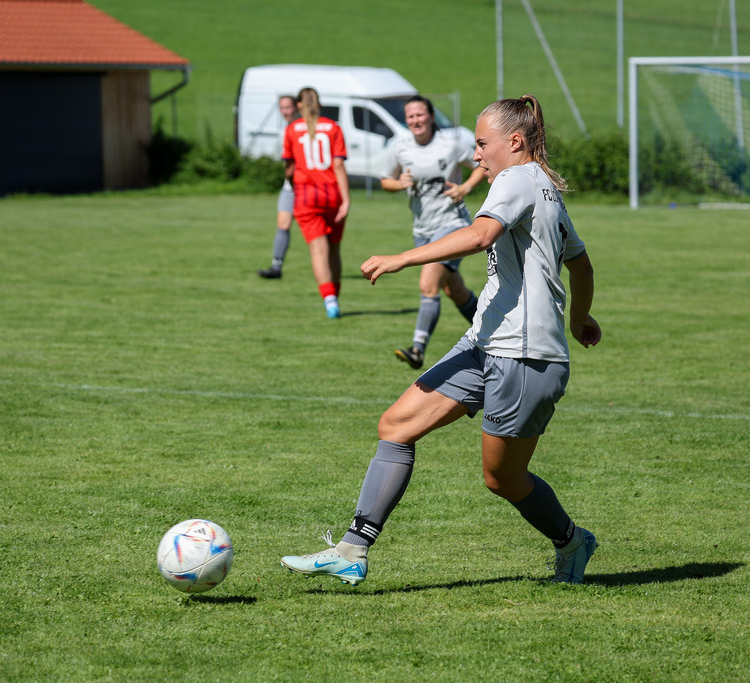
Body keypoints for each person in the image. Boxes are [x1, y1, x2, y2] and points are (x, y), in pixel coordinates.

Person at [281, 95, 602, 585]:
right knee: (396, 425)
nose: (476, 155)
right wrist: (581, 317)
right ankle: (352, 550)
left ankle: (573, 541)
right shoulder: (543, 187)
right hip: (484, 343)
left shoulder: (517, 179)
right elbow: (579, 263)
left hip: (524, 356)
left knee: (502, 479)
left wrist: (400, 258)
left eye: (482, 144)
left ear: (513, 142)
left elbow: (479, 237)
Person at [381, 95, 486, 369]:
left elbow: (481, 165)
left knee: (429, 283)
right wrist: (398, 183)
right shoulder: (401, 147)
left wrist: (464, 188)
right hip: (422, 229)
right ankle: (494, 333)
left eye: (420, 115)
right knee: (455, 291)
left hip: (453, 224)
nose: (415, 120)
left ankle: (417, 349)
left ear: (430, 117)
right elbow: (385, 180)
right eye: (411, 116)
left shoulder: (450, 144)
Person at [281, 87, 350, 318]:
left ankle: (330, 302)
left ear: (299, 105)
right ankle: (336, 295)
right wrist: (346, 199)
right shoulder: (333, 127)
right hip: (332, 193)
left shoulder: (291, 129)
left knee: (318, 251)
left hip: (306, 195)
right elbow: (339, 166)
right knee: (333, 250)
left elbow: (289, 167)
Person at [257, 95, 301, 280]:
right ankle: (276, 267)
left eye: (288, 107)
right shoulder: (285, 129)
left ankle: (326, 263)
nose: (286, 111)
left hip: (307, 186)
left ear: (297, 107)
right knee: (282, 223)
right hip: (289, 186)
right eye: (282, 108)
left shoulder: (302, 127)